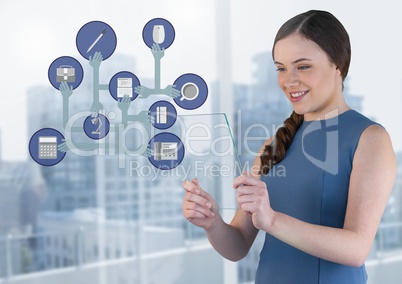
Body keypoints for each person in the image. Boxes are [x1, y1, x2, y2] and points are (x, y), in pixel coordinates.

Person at [182, 10, 396, 283]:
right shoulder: (272, 146)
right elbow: (237, 247)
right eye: (281, 68)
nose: (288, 80)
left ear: (337, 65)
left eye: (303, 66)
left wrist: (272, 220)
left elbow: (357, 249)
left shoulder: (370, 139)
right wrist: (211, 222)